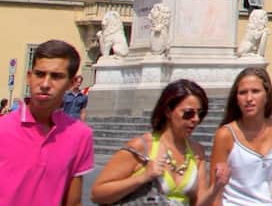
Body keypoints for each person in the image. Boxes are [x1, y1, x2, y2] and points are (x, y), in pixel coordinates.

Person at [91, 79, 227, 205]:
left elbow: (198, 202)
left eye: (200, 113)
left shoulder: (197, 152)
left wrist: (216, 188)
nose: (195, 119)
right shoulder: (142, 146)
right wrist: (143, 177)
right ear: (168, 111)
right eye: (188, 113)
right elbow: (97, 194)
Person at [0, 40, 94, 206]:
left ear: (72, 83)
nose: (45, 84)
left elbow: (73, 202)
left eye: (56, 76)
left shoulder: (80, 135)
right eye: (40, 74)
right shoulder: (3, 128)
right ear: (29, 77)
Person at [210, 67, 272, 205]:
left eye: (255, 91)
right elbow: (215, 192)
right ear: (236, 98)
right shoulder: (226, 135)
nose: (249, 98)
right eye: (242, 93)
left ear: (266, 95)